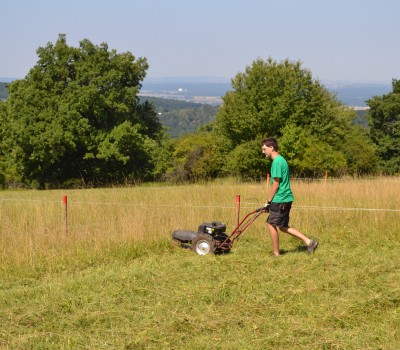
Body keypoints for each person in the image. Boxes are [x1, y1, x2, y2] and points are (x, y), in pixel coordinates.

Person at [261, 138, 318, 256]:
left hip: (280, 198)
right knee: (282, 226)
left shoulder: (276, 162)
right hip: (285, 198)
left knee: (271, 224)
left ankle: (276, 253)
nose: (263, 152)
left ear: (271, 148)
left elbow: (276, 184)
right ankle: (309, 241)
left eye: (264, 149)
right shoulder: (282, 160)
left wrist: (268, 202)